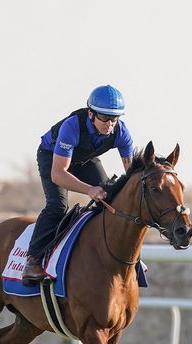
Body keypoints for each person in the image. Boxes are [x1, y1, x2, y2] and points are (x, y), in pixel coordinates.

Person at [22, 85, 135, 285]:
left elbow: (131, 174)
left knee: (110, 200)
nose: (109, 124)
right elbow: (59, 174)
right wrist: (89, 190)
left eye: (114, 118)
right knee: (58, 206)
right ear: (91, 114)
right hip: (52, 157)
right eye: (104, 118)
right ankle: (33, 260)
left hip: (84, 159)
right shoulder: (72, 126)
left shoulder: (122, 132)